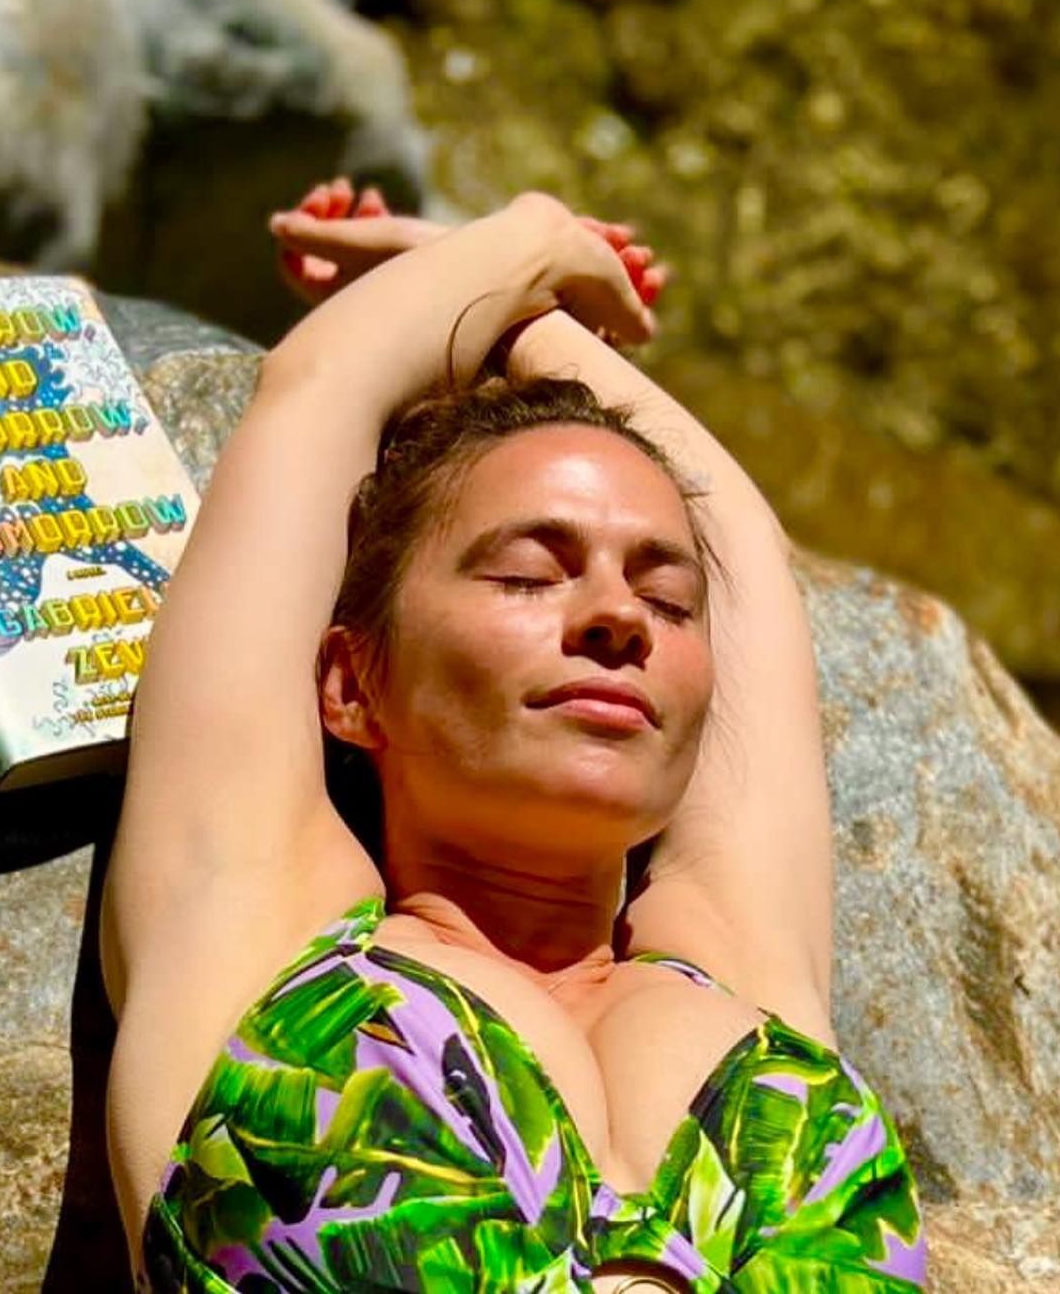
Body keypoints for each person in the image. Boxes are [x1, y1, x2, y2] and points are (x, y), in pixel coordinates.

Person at [100, 182, 928, 1293]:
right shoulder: (254, 933)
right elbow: (321, 390)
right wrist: (530, 240)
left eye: (666, 601)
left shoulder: (748, 980)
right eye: (529, 575)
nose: (620, 616)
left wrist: (524, 312)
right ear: (351, 684)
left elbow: (737, 534)